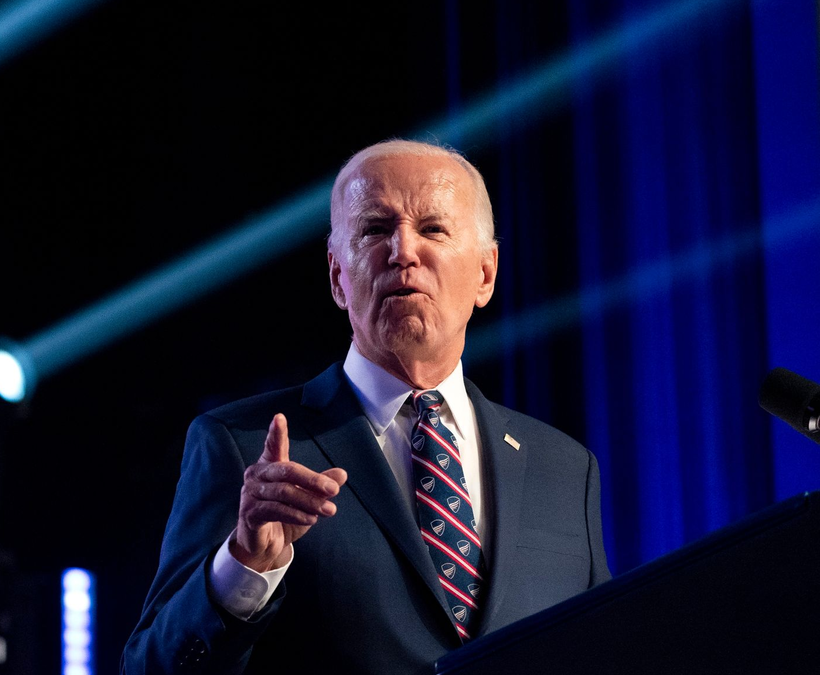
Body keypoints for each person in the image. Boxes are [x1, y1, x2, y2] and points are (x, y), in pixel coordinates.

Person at [122, 140, 610, 674]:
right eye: (375, 230)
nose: (403, 252)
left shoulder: (567, 470)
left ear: (485, 274)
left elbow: (607, 649)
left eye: (433, 229)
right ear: (338, 277)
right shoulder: (239, 445)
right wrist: (243, 569)